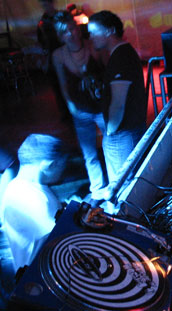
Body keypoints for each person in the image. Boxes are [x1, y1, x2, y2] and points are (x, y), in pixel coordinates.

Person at [52, 10, 107, 201]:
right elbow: (62, 84)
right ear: (60, 36)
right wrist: (70, 106)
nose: (72, 33)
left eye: (73, 28)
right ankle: (98, 188)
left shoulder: (92, 46)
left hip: (100, 105)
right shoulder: (58, 55)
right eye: (67, 31)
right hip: (81, 109)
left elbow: (106, 73)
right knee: (89, 152)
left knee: (110, 145)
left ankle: (120, 181)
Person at [87, 11, 147, 186]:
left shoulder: (121, 57)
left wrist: (110, 132)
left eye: (93, 32)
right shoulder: (123, 53)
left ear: (109, 31)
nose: (90, 37)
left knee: (123, 186)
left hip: (122, 134)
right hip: (129, 130)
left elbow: (118, 105)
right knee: (130, 182)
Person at [0, 134, 66, 272]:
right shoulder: (34, 200)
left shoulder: (16, 185)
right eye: (62, 165)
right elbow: (63, 242)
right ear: (49, 165)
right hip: (42, 274)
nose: (64, 170)